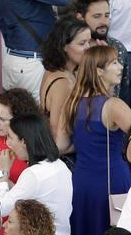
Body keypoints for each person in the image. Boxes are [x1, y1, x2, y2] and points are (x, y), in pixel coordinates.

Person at [63, 45, 131, 235]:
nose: (120, 67)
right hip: (112, 180)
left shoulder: (74, 103)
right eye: (113, 63)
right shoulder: (113, 105)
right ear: (99, 71)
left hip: (83, 181)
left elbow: (62, 144)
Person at [39, 16, 92, 151]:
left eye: (89, 42)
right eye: (82, 43)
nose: (88, 48)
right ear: (64, 47)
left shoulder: (56, 71)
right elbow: (58, 142)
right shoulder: (62, 84)